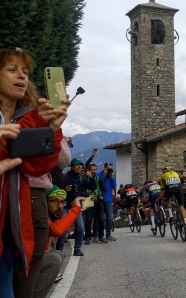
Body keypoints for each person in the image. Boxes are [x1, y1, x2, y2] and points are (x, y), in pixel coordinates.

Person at [0, 47, 69, 298]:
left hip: (12, 221)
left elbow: (35, 167)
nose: (22, 75)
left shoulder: (26, 116)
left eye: (25, 71)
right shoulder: (23, 119)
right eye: (12, 69)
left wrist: (51, 129)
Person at [32, 186, 84, 298]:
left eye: (62, 202)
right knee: (55, 259)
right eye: (54, 201)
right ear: (43, 202)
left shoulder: (45, 217)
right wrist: (74, 210)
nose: (60, 206)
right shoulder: (37, 216)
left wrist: (73, 211)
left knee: (57, 255)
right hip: (19, 266)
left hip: (28, 264)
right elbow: (57, 230)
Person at [55, 158, 96, 256]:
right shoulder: (65, 177)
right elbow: (57, 190)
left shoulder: (81, 178)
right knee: (63, 229)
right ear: (72, 167)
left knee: (81, 228)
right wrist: (64, 189)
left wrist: (91, 178)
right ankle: (59, 251)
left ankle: (77, 249)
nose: (80, 167)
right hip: (66, 207)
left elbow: (93, 187)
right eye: (77, 165)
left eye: (81, 165)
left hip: (76, 207)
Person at [159, 166, 186, 233]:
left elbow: (162, 190)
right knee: (181, 206)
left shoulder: (163, 176)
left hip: (170, 188)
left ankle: (171, 215)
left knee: (168, 198)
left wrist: (161, 198)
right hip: (179, 188)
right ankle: (185, 223)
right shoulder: (176, 173)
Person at [97, 162, 117, 241]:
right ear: (105, 168)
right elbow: (98, 183)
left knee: (109, 218)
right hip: (100, 198)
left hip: (108, 199)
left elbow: (114, 186)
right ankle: (99, 235)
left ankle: (108, 235)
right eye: (108, 167)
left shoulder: (111, 176)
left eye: (111, 167)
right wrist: (104, 175)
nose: (110, 169)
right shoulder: (99, 174)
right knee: (100, 218)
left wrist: (111, 177)